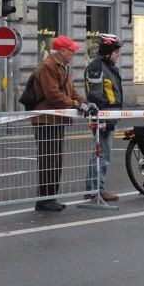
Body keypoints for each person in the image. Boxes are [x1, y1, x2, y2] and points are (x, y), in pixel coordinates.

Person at [32, 35, 94, 212]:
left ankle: (50, 197)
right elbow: (53, 95)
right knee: (48, 159)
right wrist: (76, 105)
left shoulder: (62, 67)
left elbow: (71, 91)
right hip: (46, 120)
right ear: (62, 51)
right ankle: (45, 199)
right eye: (71, 50)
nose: (74, 53)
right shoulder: (49, 66)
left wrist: (84, 102)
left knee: (55, 159)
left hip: (56, 119)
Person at [83, 34, 123, 202]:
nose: (118, 54)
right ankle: (96, 189)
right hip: (103, 116)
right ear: (108, 51)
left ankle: (94, 189)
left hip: (109, 116)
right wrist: (101, 118)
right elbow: (95, 95)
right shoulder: (97, 66)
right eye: (116, 51)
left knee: (102, 153)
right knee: (101, 154)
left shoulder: (107, 66)